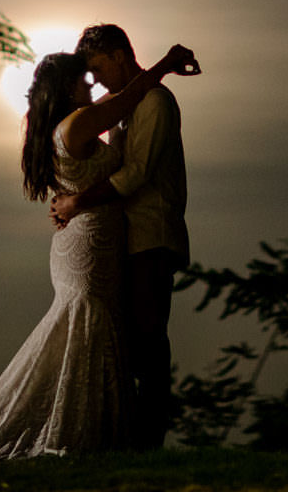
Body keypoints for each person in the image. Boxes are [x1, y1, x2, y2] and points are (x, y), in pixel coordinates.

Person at [0, 43, 198, 464]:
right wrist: (167, 64)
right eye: (85, 80)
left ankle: (105, 431)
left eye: (95, 74)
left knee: (95, 328)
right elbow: (124, 100)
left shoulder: (51, 124)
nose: (93, 84)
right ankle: (92, 431)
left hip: (83, 239)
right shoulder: (80, 122)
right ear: (67, 87)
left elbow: (118, 101)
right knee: (93, 325)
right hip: (89, 237)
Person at [48, 23, 189, 450]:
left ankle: (148, 441)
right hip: (125, 241)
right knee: (127, 344)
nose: (93, 79)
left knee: (149, 341)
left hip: (152, 237)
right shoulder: (125, 105)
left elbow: (135, 175)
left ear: (116, 55)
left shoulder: (156, 104)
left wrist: (77, 203)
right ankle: (125, 436)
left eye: (96, 67)